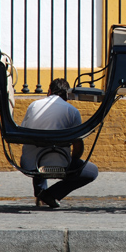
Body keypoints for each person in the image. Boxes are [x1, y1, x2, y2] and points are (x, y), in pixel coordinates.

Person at [20, 78, 98, 209]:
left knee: (39, 152)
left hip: (29, 164)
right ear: (67, 94)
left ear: (49, 91)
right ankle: (51, 194)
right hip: (61, 164)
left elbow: (24, 133)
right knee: (92, 172)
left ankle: (40, 192)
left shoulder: (33, 105)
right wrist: (73, 160)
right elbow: (78, 146)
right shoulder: (72, 111)